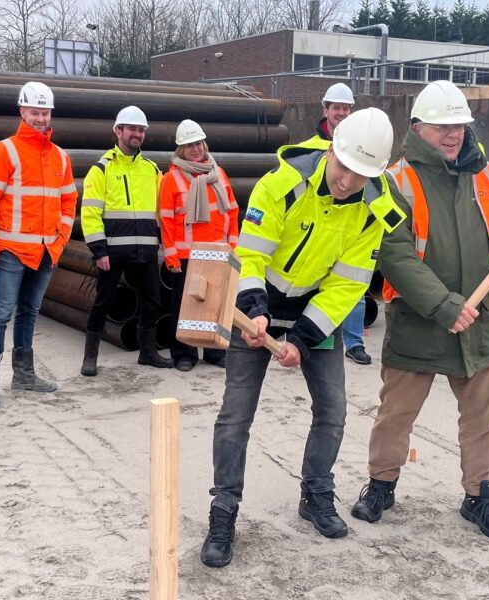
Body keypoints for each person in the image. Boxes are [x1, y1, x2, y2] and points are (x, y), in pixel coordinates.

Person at [350, 80, 489, 541]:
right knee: (396, 414)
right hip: (419, 322)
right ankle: (381, 486)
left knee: (481, 419)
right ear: (417, 128)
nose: (453, 134)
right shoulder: (395, 181)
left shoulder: (487, 175)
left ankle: (481, 497)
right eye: (442, 126)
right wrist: (445, 306)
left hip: (479, 323)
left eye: (459, 125)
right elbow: (395, 255)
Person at [200, 108, 406, 568]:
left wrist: (306, 337)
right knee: (236, 414)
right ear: (331, 148)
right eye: (345, 166)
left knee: (333, 409)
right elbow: (249, 256)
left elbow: (349, 283)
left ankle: (315, 494)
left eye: (363, 174)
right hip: (259, 298)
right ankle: (223, 510)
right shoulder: (284, 181)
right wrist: (256, 314)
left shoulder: (376, 208)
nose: (349, 181)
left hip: (317, 307)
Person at [0, 82, 77, 408]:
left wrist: (59, 242)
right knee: (1, 313)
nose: (40, 118)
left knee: (30, 312)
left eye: (45, 112)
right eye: (35, 112)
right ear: (22, 111)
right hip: (10, 249)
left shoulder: (60, 157)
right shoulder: (4, 151)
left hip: (45, 250)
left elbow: (68, 202)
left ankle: (24, 375)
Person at [79, 106, 173, 375]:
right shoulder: (102, 168)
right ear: (118, 131)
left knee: (153, 301)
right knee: (103, 301)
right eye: (132, 129)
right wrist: (99, 251)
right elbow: (90, 212)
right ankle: (90, 358)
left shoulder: (152, 169)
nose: (137, 134)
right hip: (112, 251)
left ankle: (147, 352)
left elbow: (160, 211)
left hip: (145, 251)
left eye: (141, 130)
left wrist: (163, 246)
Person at [159, 119, 239, 372]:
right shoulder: (171, 178)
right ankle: (184, 353)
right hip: (186, 255)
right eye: (189, 145)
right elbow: (166, 220)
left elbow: (233, 212)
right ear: (180, 150)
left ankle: (215, 352)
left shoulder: (219, 173)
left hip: (216, 253)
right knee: (185, 307)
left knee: (215, 304)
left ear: (205, 145)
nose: (195, 149)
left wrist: (233, 246)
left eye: (198, 144)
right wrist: (171, 256)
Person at [302, 83, 372, 366]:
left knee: (354, 287)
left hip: (349, 228)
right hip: (316, 230)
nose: (341, 112)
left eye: (346, 108)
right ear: (326, 110)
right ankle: (307, 340)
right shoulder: (309, 147)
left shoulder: (360, 145)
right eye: (336, 108)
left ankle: (354, 343)